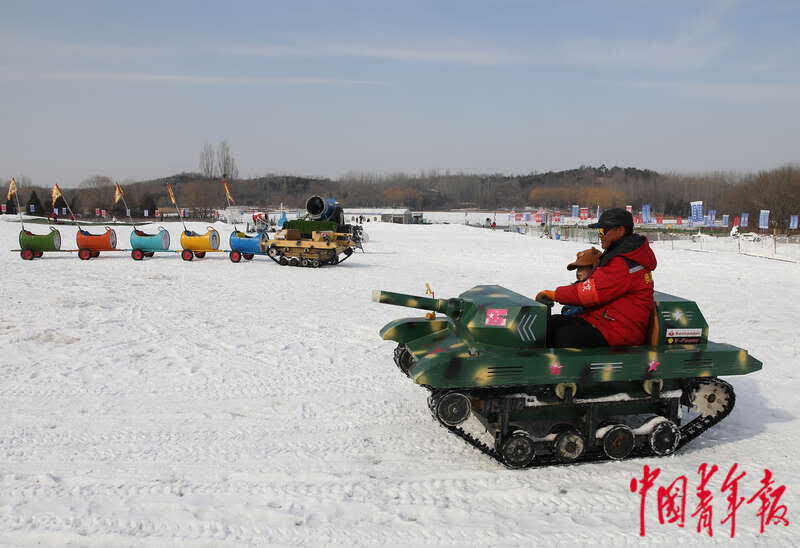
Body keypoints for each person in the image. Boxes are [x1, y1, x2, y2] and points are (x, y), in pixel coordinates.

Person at [536, 208, 656, 347]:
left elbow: (590, 292)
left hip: (618, 332)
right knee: (552, 324)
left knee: (563, 335)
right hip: (604, 322)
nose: (600, 235)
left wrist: (554, 294)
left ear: (620, 231)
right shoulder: (621, 256)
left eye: (603, 231)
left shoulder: (623, 263)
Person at [561, 247, 602, 317]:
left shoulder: (597, 289)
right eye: (578, 269)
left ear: (593, 267)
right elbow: (565, 309)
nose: (578, 272)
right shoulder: (577, 286)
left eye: (582, 268)